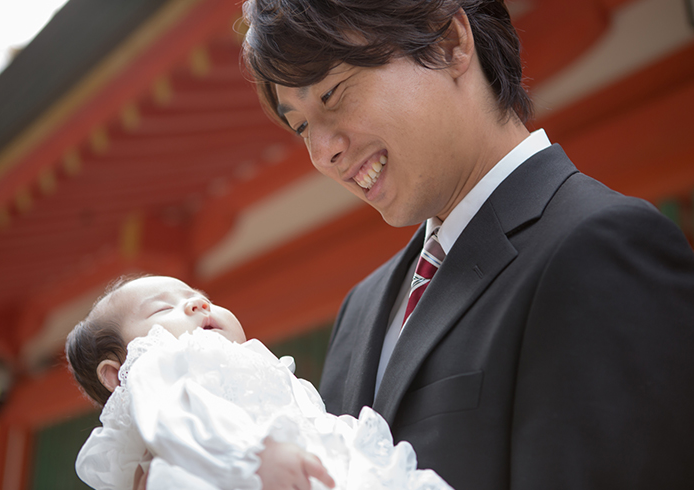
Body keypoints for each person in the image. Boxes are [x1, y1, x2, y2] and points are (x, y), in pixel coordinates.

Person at [240, 0, 694, 488]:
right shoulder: (360, 310)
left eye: (332, 94)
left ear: (449, 42)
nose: (323, 151)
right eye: (301, 125)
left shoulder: (602, 249)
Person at [65, 275, 452, 490]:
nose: (199, 304)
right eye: (164, 308)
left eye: (200, 297)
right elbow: (174, 416)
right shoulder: (161, 364)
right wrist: (252, 455)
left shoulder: (270, 372)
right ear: (118, 374)